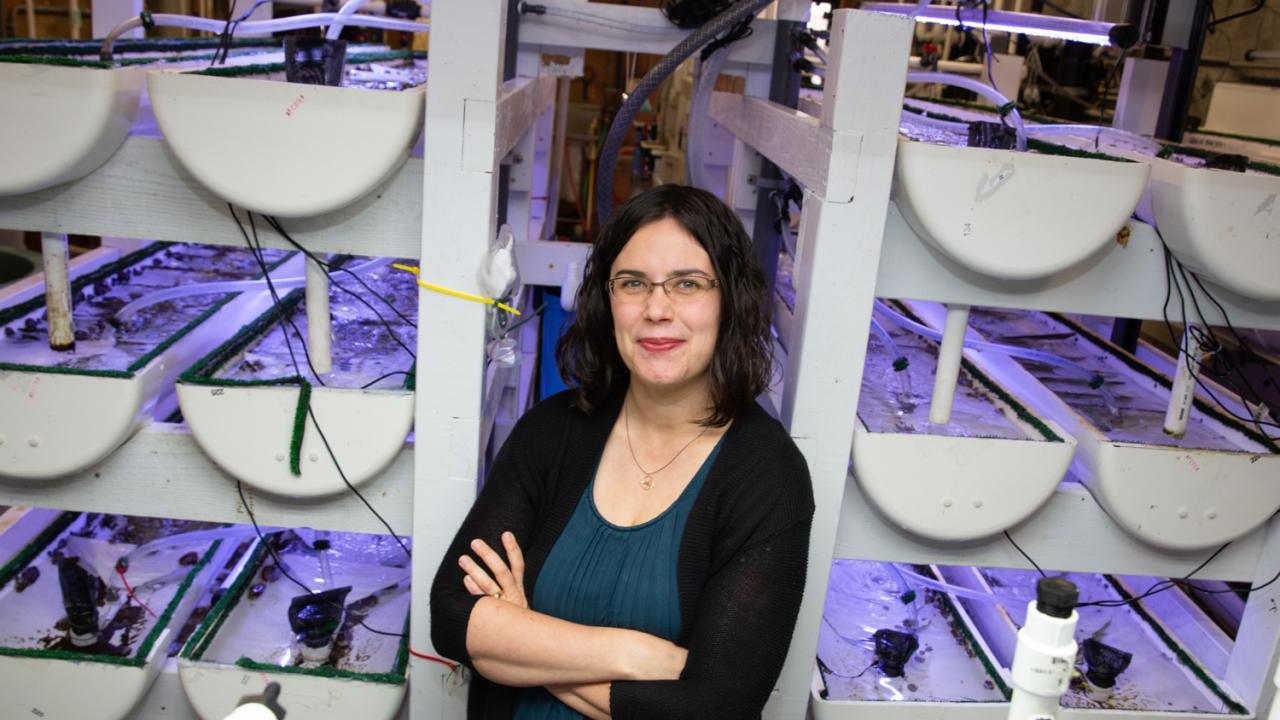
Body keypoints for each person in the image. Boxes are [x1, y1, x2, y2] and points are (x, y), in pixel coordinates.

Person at [430, 184, 815, 720]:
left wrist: (520, 638)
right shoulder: (553, 431)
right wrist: (636, 654)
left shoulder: (767, 476)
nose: (657, 309)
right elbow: (452, 617)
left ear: (729, 299)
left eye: (687, 284)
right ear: (606, 299)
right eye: (633, 283)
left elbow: (715, 708)